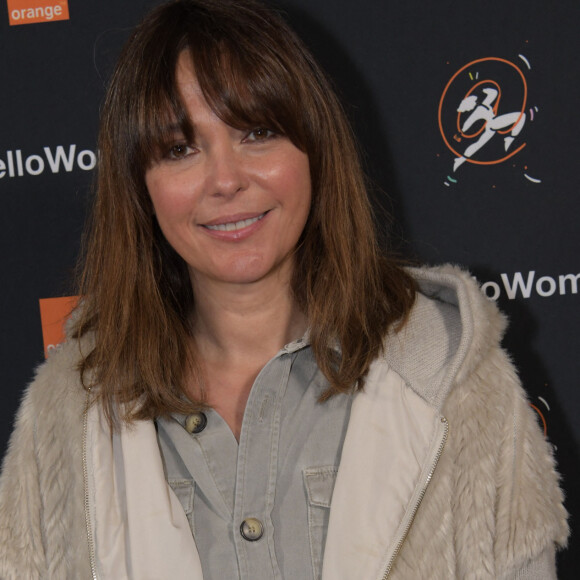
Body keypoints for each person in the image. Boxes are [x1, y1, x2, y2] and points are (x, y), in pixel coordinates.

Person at [0, 0, 568, 578]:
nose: (226, 181)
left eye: (258, 132)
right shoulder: (67, 415)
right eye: (180, 148)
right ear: (139, 187)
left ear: (314, 148)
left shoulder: (452, 382)